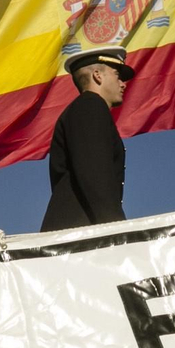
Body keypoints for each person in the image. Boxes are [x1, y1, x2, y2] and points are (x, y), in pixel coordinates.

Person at [40, 47, 132, 232]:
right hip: (79, 235)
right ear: (97, 75)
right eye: (117, 75)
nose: (123, 84)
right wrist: (118, 228)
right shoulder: (90, 106)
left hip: (79, 233)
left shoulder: (86, 109)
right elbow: (95, 173)